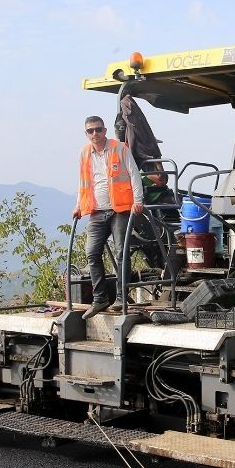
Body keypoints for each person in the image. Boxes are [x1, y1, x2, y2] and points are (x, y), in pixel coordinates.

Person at [73, 115, 145, 318]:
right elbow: (83, 182)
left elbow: (134, 174)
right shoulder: (84, 153)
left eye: (98, 129)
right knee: (92, 252)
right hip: (96, 210)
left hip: (120, 209)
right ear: (86, 134)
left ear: (105, 131)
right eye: (90, 131)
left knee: (122, 252)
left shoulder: (119, 148)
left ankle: (121, 296)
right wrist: (78, 205)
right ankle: (100, 298)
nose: (95, 134)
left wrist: (138, 201)